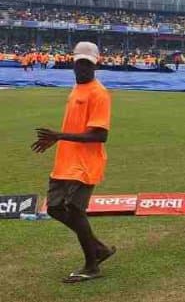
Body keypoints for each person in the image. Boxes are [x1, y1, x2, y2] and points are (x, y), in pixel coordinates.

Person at [30, 42, 116, 283]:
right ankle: (98, 248)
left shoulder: (98, 93)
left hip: (85, 163)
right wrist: (55, 141)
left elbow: (101, 135)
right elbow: (75, 125)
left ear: (95, 64)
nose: (83, 68)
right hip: (65, 161)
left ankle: (92, 265)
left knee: (76, 210)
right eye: (79, 63)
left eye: (87, 64)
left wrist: (59, 136)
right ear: (73, 62)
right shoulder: (76, 89)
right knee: (55, 208)